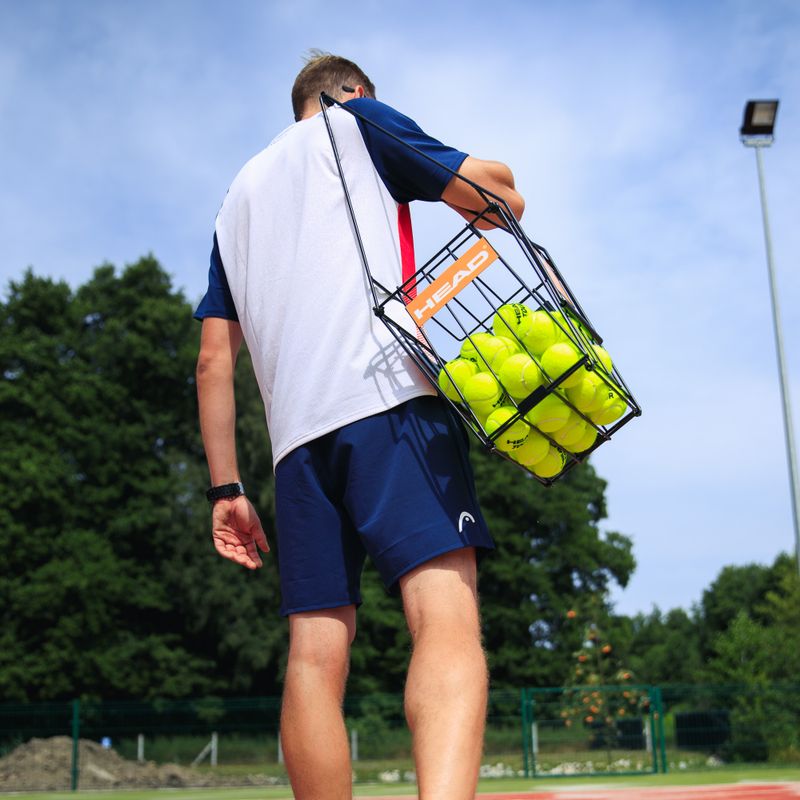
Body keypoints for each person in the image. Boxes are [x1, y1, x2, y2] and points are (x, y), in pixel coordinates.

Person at [194, 52, 524, 800]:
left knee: (313, 655)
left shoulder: (234, 202)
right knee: (443, 617)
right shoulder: (359, 123)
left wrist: (226, 489)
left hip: (295, 449)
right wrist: (497, 176)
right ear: (351, 94)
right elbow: (495, 198)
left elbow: (214, 362)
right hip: (390, 400)